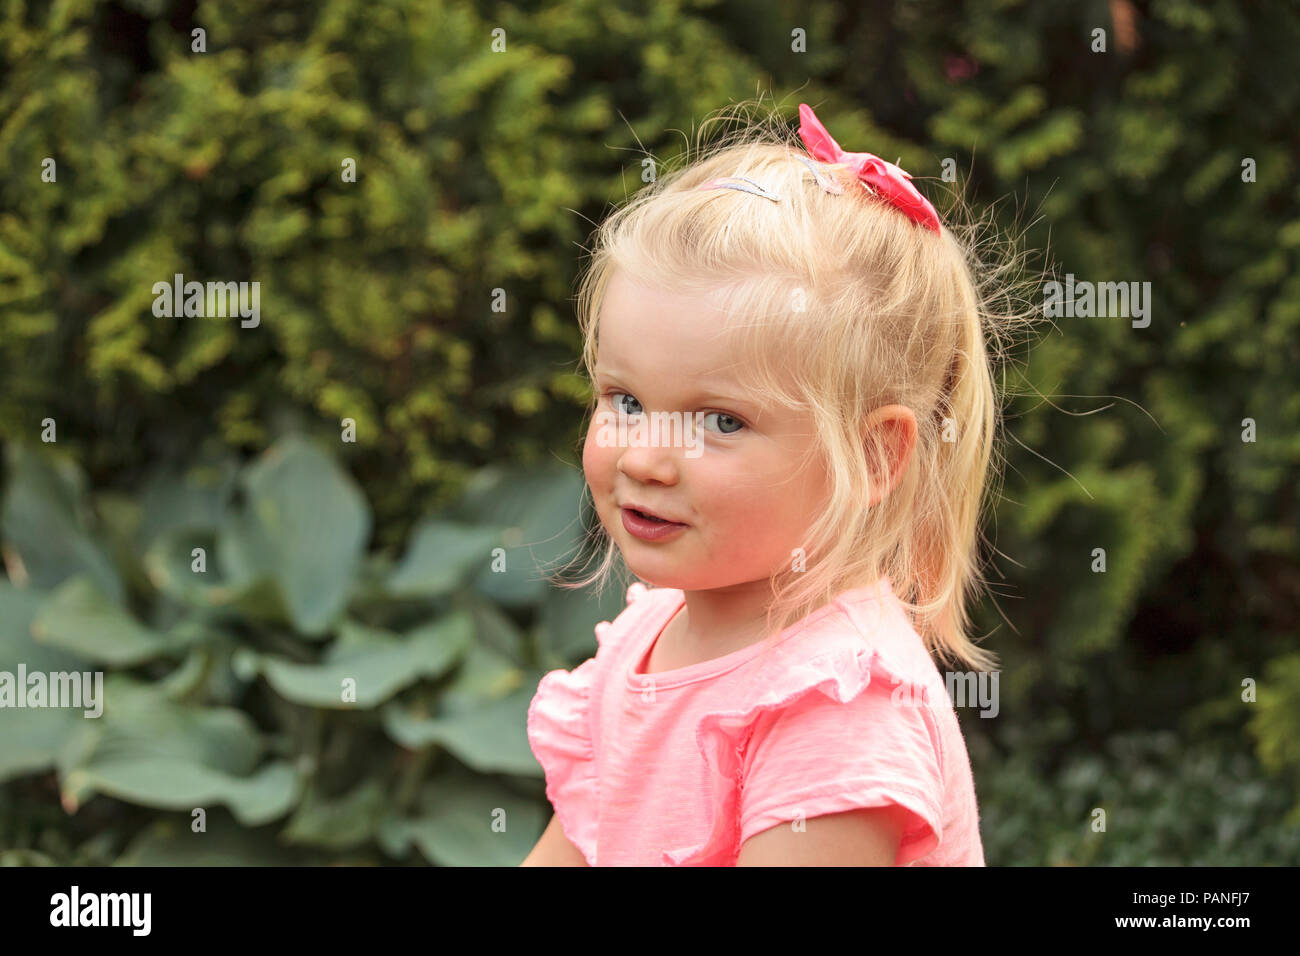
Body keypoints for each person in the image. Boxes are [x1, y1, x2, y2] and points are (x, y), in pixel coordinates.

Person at [522, 100, 1024, 866]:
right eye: (626, 401)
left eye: (720, 421)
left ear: (873, 458)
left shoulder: (835, 706)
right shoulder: (646, 640)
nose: (645, 458)